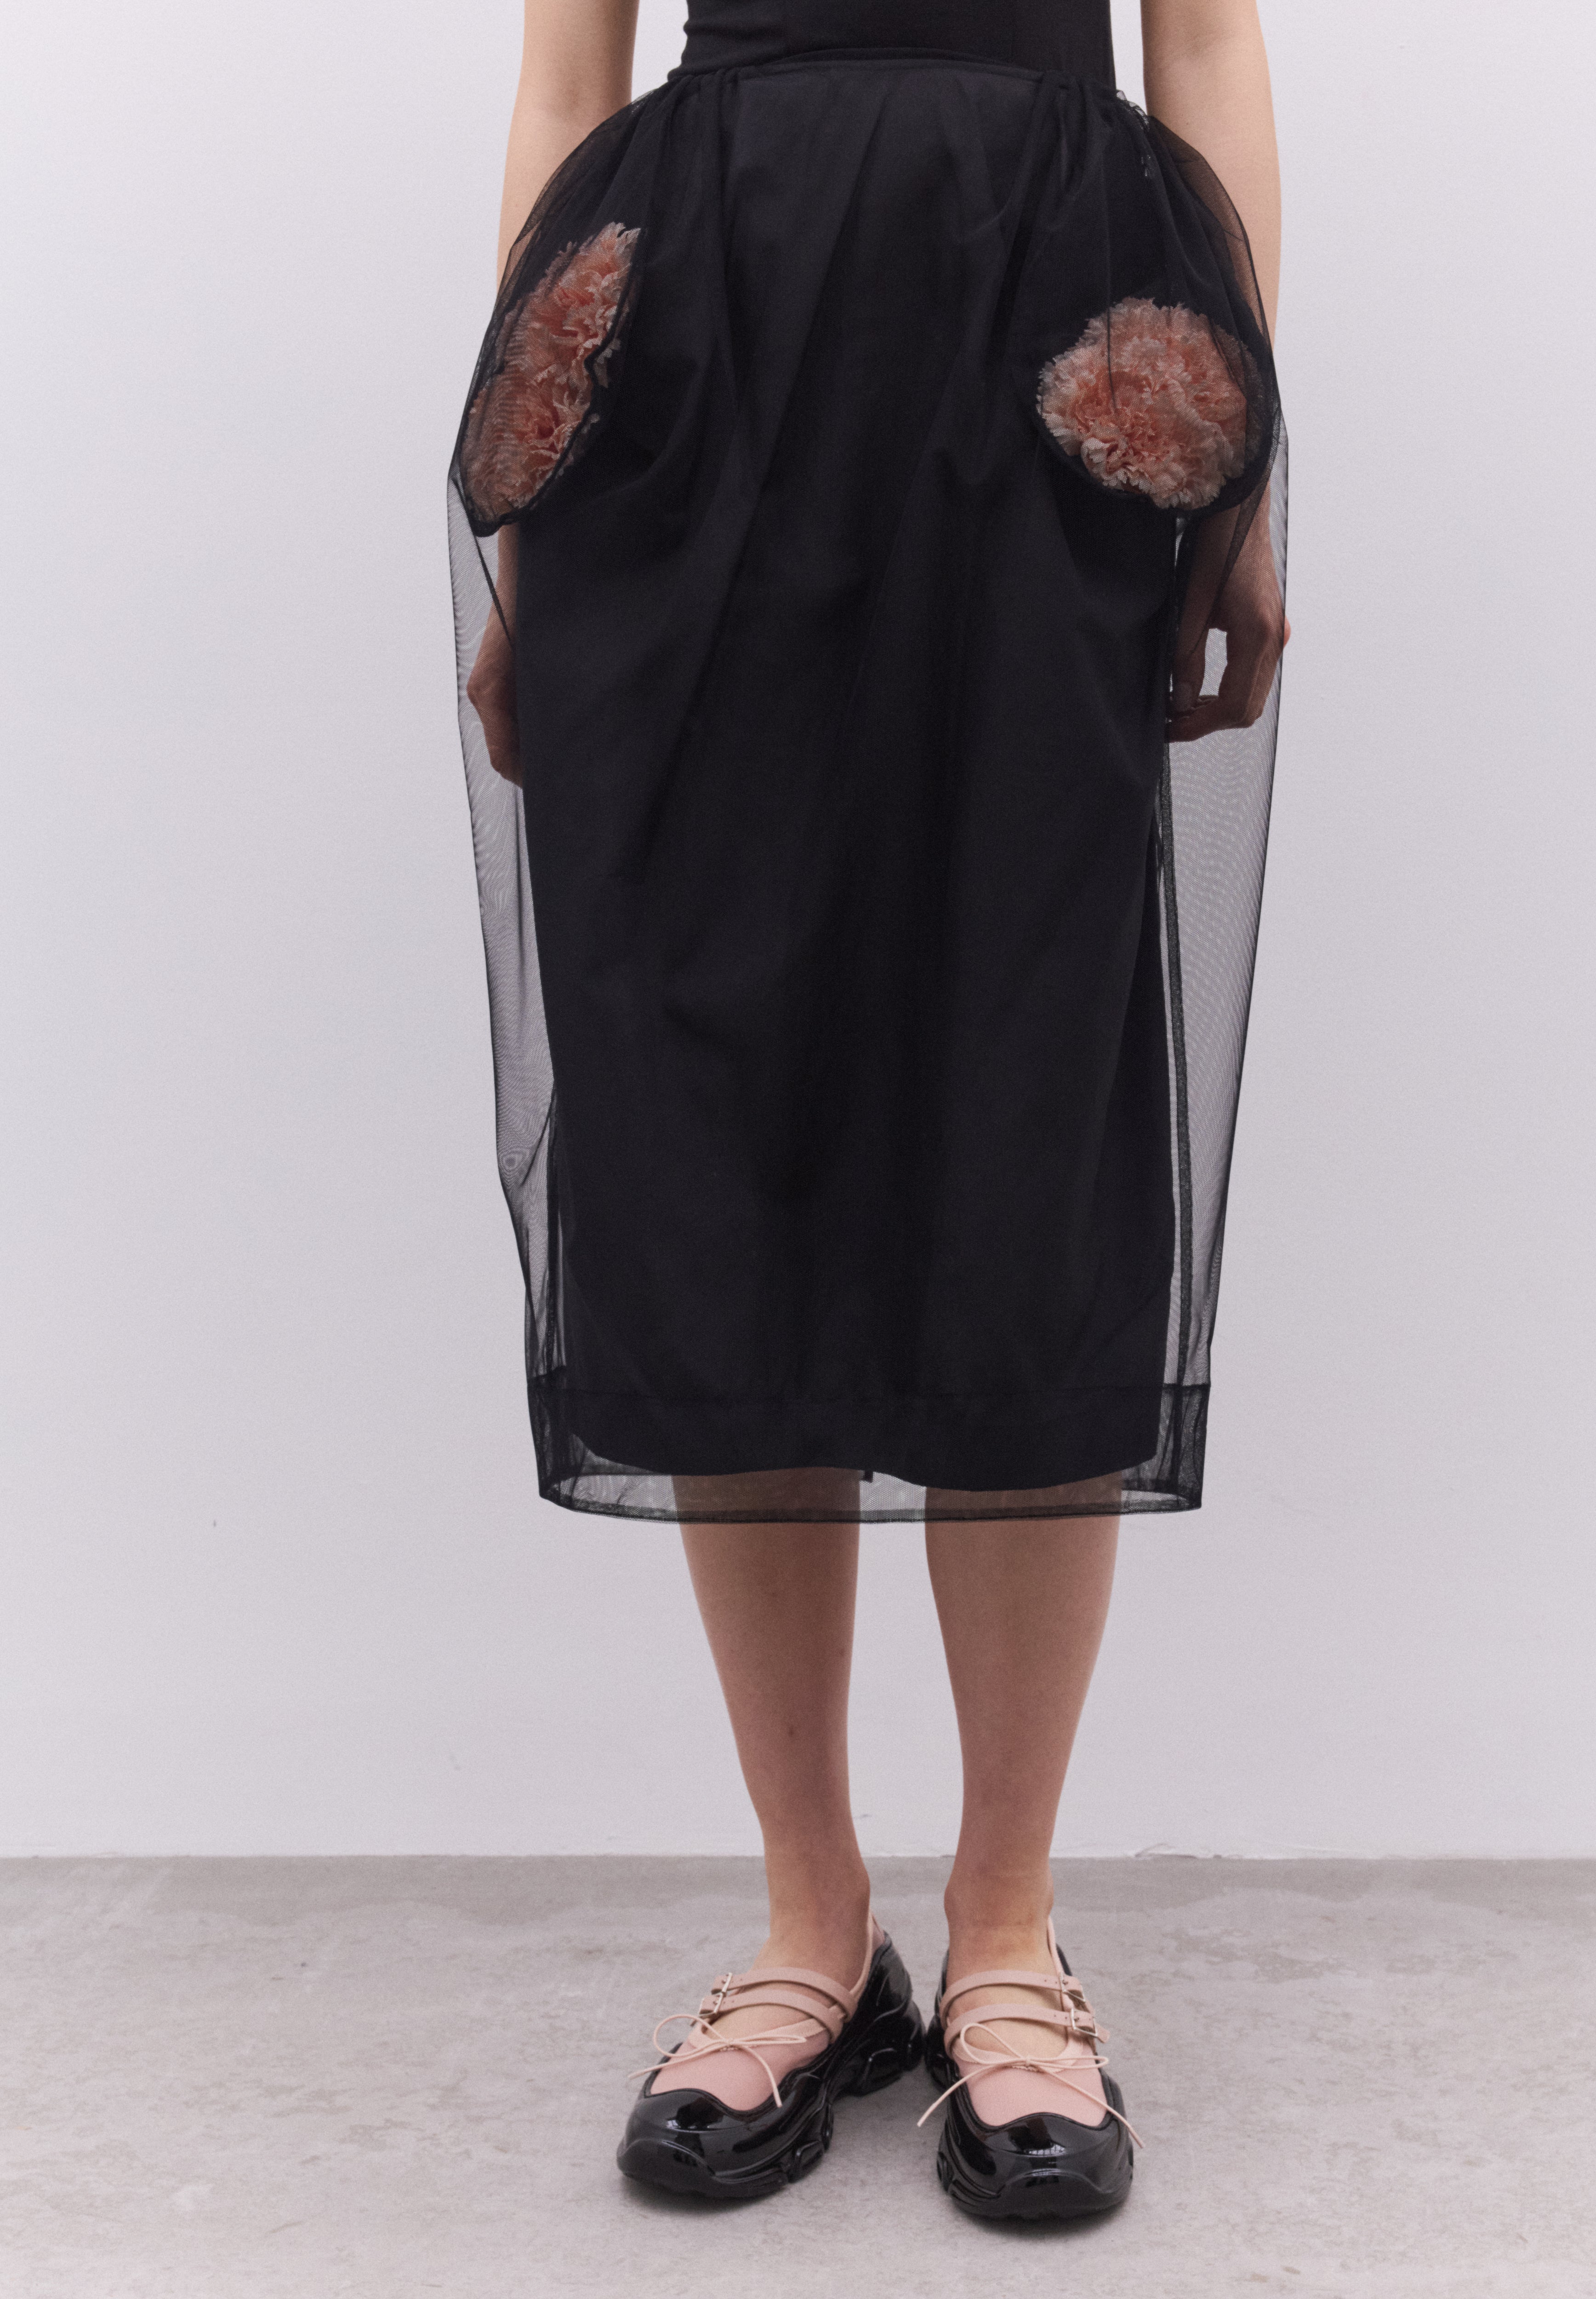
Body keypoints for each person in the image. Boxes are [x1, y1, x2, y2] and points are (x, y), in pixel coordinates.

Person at [448, 0, 1288, 2222]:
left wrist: (1235, 468)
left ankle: (1009, 1922)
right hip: (685, 374)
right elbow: (566, 83)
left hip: (1046, 351)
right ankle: (814, 1916)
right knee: (707, 1111)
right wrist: (525, 515)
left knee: (1029, 1098)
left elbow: (1204, 46)